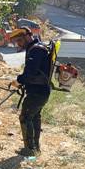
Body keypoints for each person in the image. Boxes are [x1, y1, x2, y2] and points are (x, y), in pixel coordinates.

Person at [8, 28, 52, 157]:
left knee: (25, 117)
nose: (18, 44)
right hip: (41, 91)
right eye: (17, 41)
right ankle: (35, 148)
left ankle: (29, 150)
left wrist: (19, 80)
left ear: (27, 36)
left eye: (19, 40)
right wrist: (22, 81)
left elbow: (30, 73)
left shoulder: (36, 50)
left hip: (37, 92)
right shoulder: (38, 48)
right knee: (34, 117)